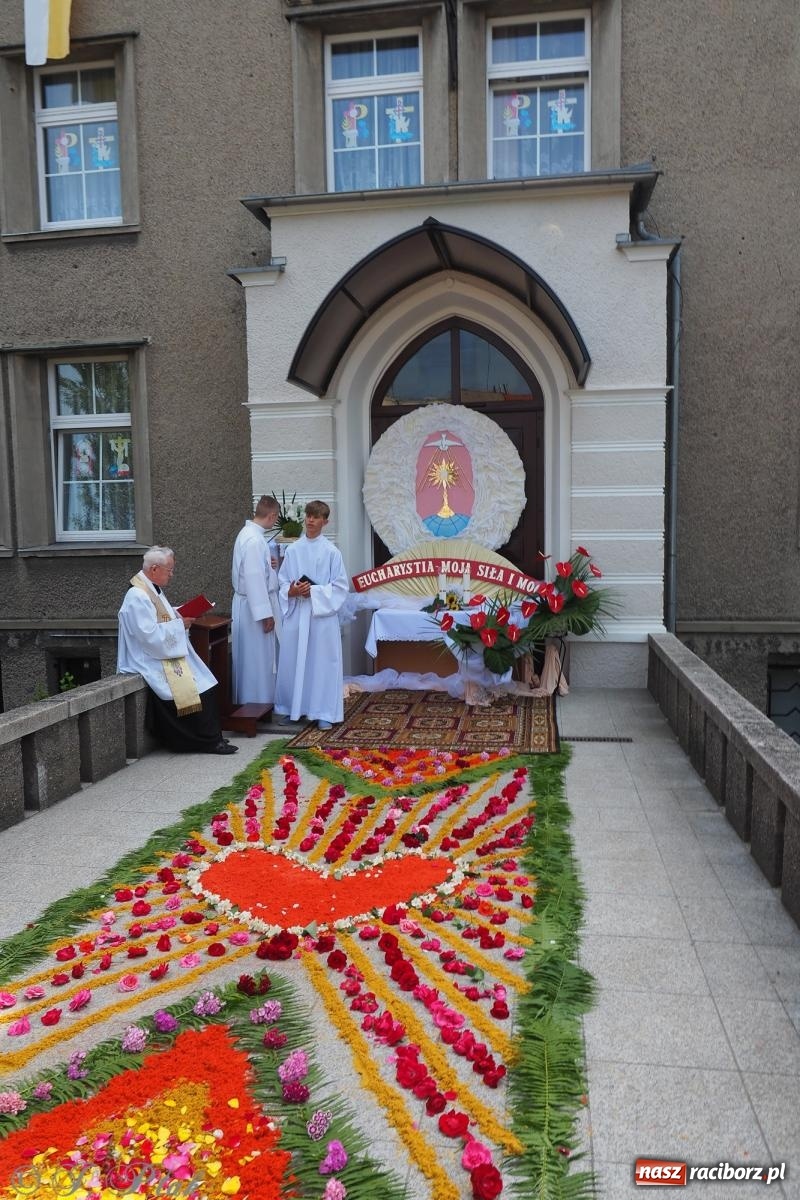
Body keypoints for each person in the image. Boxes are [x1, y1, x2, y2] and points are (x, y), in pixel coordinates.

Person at [117, 546, 237, 754]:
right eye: (169, 570)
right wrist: (180, 624)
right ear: (154, 569)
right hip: (149, 658)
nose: (172, 575)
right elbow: (149, 636)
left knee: (206, 681)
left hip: (160, 653)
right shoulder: (137, 596)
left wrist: (180, 613)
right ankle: (204, 741)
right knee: (201, 688)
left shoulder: (151, 589)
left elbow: (161, 614)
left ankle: (212, 738)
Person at [274, 501, 349, 729]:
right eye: (308, 516)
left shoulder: (332, 553)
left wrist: (314, 592)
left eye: (316, 517)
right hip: (298, 613)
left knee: (322, 664)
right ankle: (291, 708)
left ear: (325, 521)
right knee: (292, 661)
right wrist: (293, 590)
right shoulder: (294, 550)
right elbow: (282, 580)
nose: (310, 520)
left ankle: (323, 711)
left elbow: (340, 587)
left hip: (321, 618)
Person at [231, 494, 281, 705]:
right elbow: (253, 579)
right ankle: (257, 704)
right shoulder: (253, 540)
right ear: (271, 516)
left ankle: (260, 702)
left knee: (257, 658)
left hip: (249, 605)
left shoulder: (250, 534)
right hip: (254, 609)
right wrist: (265, 614)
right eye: (276, 517)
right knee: (257, 660)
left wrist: (269, 565)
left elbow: (257, 570)